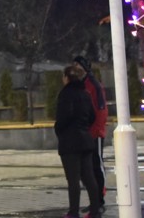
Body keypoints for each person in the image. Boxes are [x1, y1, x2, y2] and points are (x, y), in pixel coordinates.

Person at [53, 64, 102, 218]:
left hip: (70, 142)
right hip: (85, 140)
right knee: (89, 177)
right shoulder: (85, 93)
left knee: (73, 179)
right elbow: (93, 116)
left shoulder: (65, 94)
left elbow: (63, 117)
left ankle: (73, 212)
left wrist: (58, 129)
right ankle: (95, 210)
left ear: (67, 78)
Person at [72, 55, 109, 198]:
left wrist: (95, 130)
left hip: (94, 133)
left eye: (77, 66)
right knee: (85, 168)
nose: (75, 69)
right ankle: (94, 198)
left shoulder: (93, 85)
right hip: (84, 133)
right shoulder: (80, 85)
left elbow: (100, 110)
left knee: (95, 165)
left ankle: (99, 196)